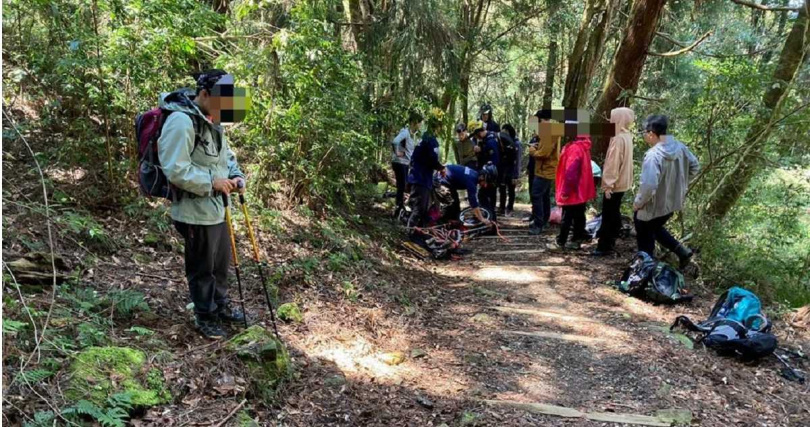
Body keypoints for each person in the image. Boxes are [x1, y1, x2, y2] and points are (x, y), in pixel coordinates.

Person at [159, 69, 246, 339]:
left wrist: (235, 174)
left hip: (217, 209)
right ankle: (204, 314)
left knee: (221, 264)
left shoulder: (213, 119)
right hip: (194, 211)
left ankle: (220, 306)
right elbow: (175, 169)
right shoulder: (181, 122)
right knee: (202, 268)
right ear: (205, 94)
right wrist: (212, 182)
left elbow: (226, 157)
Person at [634, 115, 700, 268]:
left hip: (654, 204)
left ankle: (644, 271)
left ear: (651, 133)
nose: (643, 135)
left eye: (644, 132)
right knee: (655, 228)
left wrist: (638, 203)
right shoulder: (680, 147)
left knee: (644, 231)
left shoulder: (653, 155)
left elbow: (649, 186)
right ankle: (682, 252)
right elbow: (695, 166)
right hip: (672, 202)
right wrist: (679, 184)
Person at [593, 107, 635, 256]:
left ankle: (604, 246)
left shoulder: (618, 138)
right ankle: (612, 239)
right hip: (623, 183)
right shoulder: (627, 136)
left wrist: (608, 185)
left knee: (608, 214)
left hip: (615, 185)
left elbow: (613, 163)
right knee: (613, 212)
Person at [555, 122, 596, 249]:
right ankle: (576, 240)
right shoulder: (583, 146)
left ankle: (561, 241)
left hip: (573, 190)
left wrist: (566, 191)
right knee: (579, 215)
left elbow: (571, 172)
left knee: (567, 216)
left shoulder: (574, 148)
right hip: (580, 189)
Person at [407, 110, 446, 227]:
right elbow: (432, 159)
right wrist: (441, 168)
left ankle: (420, 233)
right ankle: (409, 232)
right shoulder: (430, 140)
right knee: (419, 209)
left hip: (418, 177)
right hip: (421, 179)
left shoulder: (424, 138)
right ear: (437, 127)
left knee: (423, 210)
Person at [528, 109, 561, 235]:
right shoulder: (550, 131)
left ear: (542, 120)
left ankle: (538, 224)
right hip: (548, 169)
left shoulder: (549, 131)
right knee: (544, 196)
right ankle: (544, 220)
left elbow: (544, 153)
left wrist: (532, 151)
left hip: (544, 170)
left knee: (536, 195)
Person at [391, 112, 423, 218]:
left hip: (403, 163)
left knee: (402, 186)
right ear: (414, 123)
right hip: (400, 163)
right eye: (419, 123)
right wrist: (397, 153)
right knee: (401, 186)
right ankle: (398, 209)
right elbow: (395, 141)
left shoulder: (410, 134)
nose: (420, 125)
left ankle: (399, 208)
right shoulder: (405, 132)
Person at [498, 124, 521, 216]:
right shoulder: (502, 142)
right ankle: (502, 208)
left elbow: (518, 160)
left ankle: (510, 208)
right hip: (503, 170)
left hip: (512, 170)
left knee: (511, 190)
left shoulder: (516, 143)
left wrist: (516, 175)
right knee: (502, 189)